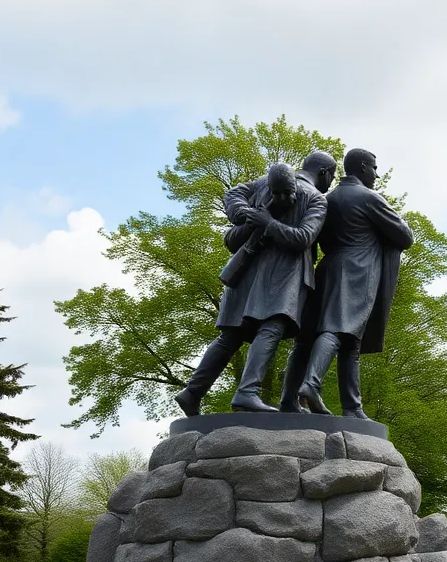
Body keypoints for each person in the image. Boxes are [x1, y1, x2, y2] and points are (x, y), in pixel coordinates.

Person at [174, 160, 328, 415]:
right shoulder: (316, 198)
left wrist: (259, 219)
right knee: (271, 327)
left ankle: (192, 392)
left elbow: (233, 193)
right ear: (325, 173)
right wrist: (249, 216)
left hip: (247, 272)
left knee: (230, 337)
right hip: (282, 275)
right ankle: (247, 392)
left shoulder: (264, 182)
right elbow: (304, 238)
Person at [279, 147, 414, 417]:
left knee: (329, 340)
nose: (376, 174)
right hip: (356, 273)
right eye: (374, 168)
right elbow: (405, 236)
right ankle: (311, 385)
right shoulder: (369, 198)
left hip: (324, 270)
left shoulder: (326, 199)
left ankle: (346, 407)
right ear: (363, 167)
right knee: (339, 330)